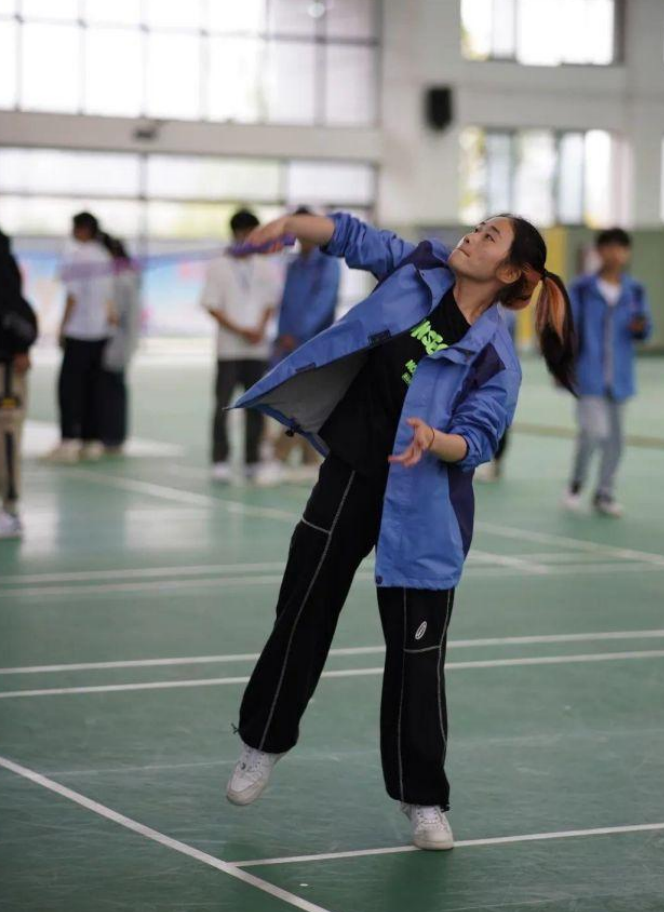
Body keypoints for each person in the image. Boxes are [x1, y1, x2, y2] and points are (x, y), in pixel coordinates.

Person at [223, 211, 576, 851]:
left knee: (416, 655)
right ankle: (262, 743)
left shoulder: (496, 356)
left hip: (424, 504)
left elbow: (480, 437)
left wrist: (436, 440)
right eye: (477, 227)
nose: (472, 237)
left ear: (509, 272)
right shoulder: (418, 268)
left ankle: (424, 800)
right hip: (354, 471)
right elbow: (351, 237)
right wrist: (292, 222)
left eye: (489, 237)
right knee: (303, 609)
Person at [563, 227, 652, 517]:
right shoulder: (581, 288)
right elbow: (568, 330)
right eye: (609, 247)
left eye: (621, 248)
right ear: (599, 251)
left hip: (620, 377)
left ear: (627, 253)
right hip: (588, 375)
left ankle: (604, 493)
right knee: (593, 433)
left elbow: (645, 331)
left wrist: (640, 328)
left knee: (616, 441)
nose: (615, 253)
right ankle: (576, 483)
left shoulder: (635, 290)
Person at [200, 209, 280, 485]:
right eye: (245, 233)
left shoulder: (265, 266)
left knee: (256, 406)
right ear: (235, 234)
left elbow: (270, 302)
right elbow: (212, 306)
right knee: (224, 405)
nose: (250, 238)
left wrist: (259, 329)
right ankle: (220, 459)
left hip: (257, 349)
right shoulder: (219, 266)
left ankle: (252, 460)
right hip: (229, 349)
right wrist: (240, 330)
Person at [272, 206, 340, 479]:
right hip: (289, 345)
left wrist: (299, 334)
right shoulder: (294, 265)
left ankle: (281, 453)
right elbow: (285, 304)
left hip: (314, 344)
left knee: (303, 401)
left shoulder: (328, 264)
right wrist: (282, 336)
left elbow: (323, 305)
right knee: (296, 399)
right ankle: (307, 456)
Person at [45, 212, 116, 464]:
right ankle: (91, 440)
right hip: (100, 331)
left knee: (69, 389)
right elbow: (109, 297)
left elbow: (73, 297)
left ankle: (68, 441)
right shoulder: (105, 255)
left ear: (83, 230)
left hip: (79, 332)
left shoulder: (77, 256)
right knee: (94, 387)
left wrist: (63, 327)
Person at [0, 230, 38, 539]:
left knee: (6, 433)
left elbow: (17, 315)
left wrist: (20, 347)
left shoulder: (4, 266)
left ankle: (9, 510)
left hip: (5, 370)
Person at [99, 236, 141, 454]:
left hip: (117, 342)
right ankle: (112, 436)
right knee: (113, 389)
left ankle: (113, 437)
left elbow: (116, 315)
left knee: (112, 390)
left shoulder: (122, 278)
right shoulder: (125, 274)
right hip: (119, 341)